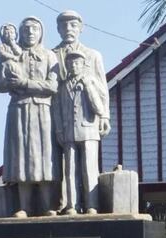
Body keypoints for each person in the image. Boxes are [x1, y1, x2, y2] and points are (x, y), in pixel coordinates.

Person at [0, 16, 59, 217]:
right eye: (26, 29)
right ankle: (24, 206)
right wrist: (4, 62)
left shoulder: (49, 56)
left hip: (43, 111)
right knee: (21, 157)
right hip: (18, 109)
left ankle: (48, 205)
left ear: (41, 33)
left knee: (46, 157)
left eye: (34, 29)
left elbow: (52, 86)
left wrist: (24, 83)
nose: (30, 33)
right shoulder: (9, 53)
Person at [53, 10, 111, 213]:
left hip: (88, 121)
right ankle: (68, 204)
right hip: (63, 122)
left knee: (89, 167)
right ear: (58, 29)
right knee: (67, 169)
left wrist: (104, 115)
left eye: (73, 25)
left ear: (81, 28)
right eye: (64, 26)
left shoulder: (93, 55)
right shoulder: (51, 55)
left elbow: (103, 88)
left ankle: (91, 204)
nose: (68, 29)